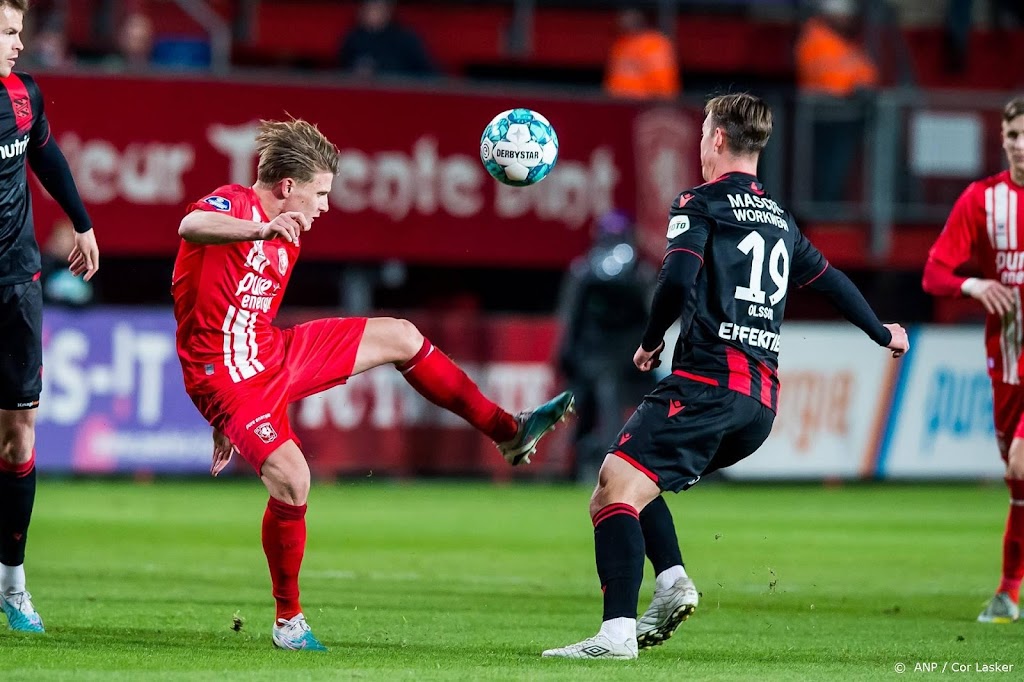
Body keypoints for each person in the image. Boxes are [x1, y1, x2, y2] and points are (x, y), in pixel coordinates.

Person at [171, 117, 573, 651]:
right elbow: (191, 225)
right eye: (320, 192)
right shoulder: (238, 206)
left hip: (271, 352)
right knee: (294, 479)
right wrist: (260, 230)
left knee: (402, 336)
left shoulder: (289, 231)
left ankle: (509, 429)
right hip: (222, 374)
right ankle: (288, 622)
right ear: (288, 188)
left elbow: (238, 304)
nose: (325, 206)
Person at [542, 93, 908, 659]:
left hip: (707, 383)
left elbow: (677, 277)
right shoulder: (782, 218)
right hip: (758, 406)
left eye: (703, 131)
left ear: (716, 138)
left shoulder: (699, 202)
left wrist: (651, 338)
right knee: (632, 479)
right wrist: (881, 331)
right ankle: (670, 584)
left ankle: (617, 635)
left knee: (611, 488)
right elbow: (830, 281)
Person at [0, 0, 99, 634]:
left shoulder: (23, 96)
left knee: (19, 436)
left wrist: (83, 223)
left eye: (17, 32)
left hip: (16, 283)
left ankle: (13, 586)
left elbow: (47, 158)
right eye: (5, 33)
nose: (15, 44)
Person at [921, 96, 1024, 624]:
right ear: (1002, 139)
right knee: (1017, 482)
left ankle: (1008, 591)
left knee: (1021, 463)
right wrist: (974, 282)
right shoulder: (982, 201)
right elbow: (934, 273)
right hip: (1006, 365)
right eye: (1013, 135)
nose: (1021, 145)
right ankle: (1009, 592)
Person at [556, 210, 657, 482]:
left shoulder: (590, 269)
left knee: (606, 390)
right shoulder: (634, 270)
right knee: (594, 395)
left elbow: (569, 317)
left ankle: (608, 460)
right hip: (602, 357)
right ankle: (585, 461)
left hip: (619, 359)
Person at [795, 0, 878, 203]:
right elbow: (829, 79)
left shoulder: (844, 43)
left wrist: (860, 86)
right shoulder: (815, 39)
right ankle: (826, 209)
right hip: (824, 116)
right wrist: (854, 86)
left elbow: (869, 74)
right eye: (845, 15)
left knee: (840, 169)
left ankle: (832, 206)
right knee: (827, 171)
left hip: (845, 116)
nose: (849, 19)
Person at [337, 0, 435, 79]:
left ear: (388, 11)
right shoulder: (353, 38)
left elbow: (429, 75)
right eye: (367, 8)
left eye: (376, 8)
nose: (370, 12)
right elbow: (339, 73)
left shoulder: (405, 39)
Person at [603, 8, 679, 101]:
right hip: (618, 103)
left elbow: (664, 82)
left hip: (645, 103)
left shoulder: (654, 43)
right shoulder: (620, 44)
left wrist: (664, 102)